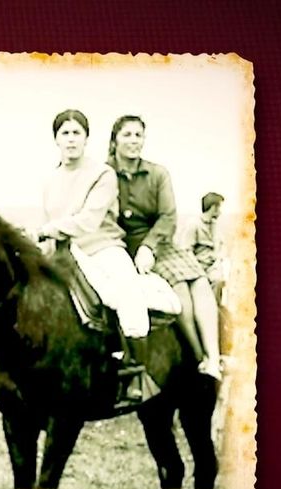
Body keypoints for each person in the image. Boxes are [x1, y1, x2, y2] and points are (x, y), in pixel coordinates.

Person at [108, 115, 223, 381]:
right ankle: (197, 357)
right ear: (115, 140)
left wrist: (149, 246)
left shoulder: (158, 173)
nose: (134, 141)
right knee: (179, 289)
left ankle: (214, 359)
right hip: (122, 244)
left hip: (159, 242)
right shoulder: (105, 172)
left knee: (201, 283)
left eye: (139, 135)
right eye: (127, 135)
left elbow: (168, 216)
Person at [35, 109, 151, 342]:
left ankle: (136, 367)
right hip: (63, 252)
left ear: (86, 138)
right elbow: (47, 220)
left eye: (77, 132)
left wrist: (47, 230)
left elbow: (89, 220)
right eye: (65, 133)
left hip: (102, 248)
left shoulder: (103, 174)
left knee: (129, 294)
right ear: (56, 139)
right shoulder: (50, 179)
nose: (71, 139)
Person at [190, 192, 226, 303]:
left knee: (219, 280)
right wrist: (199, 270)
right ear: (213, 207)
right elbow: (187, 251)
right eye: (219, 207)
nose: (220, 211)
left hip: (212, 266)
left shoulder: (215, 225)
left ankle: (216, 310)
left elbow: (220, 246)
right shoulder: (193, 224)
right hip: (197, 267)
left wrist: (218, 260)